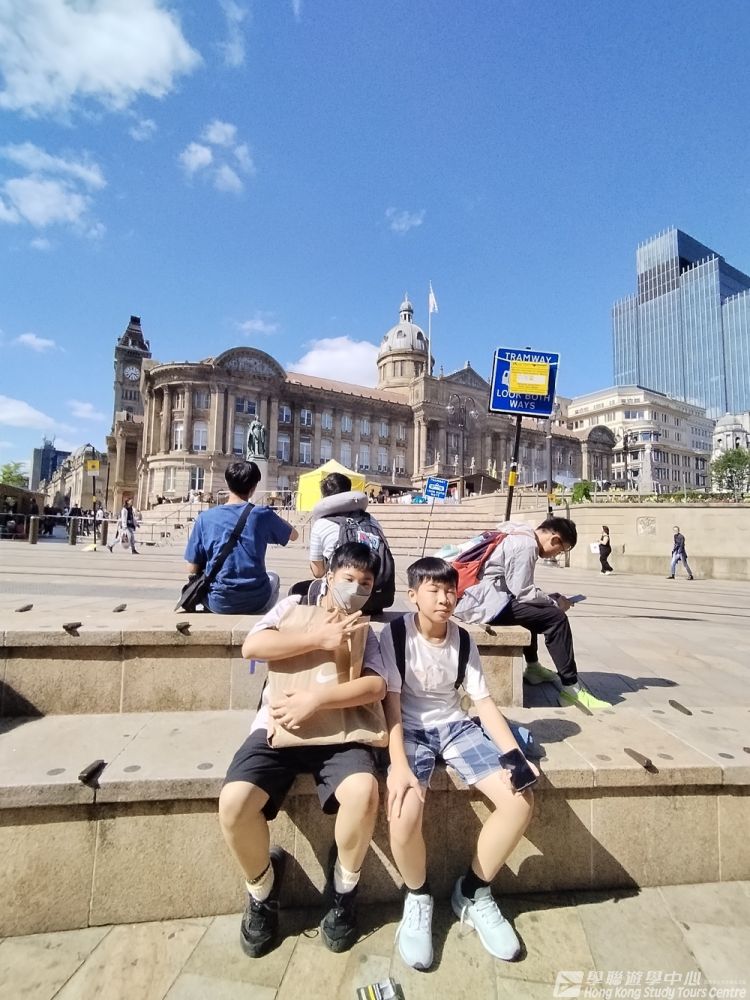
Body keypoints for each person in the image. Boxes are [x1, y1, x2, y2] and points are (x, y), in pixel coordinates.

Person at [218, 542, 391, 957]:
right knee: (234, 801)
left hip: (341, 732)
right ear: (329, 576)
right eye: (348, 579)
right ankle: (262, 890)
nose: (356, 589)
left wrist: (317, 700)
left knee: (364, 792)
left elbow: (377, 686)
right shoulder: (293, 606)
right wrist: (317, 637)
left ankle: (344, 889)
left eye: (365, 584)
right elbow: (252, 647)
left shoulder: (368, 629)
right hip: (278, 726)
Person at [380, 557, 537, 969]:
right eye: (433, 590)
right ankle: (418, 895)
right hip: (409, 730)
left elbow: (483, 703)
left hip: (456, 727)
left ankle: (473, 890)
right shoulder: (394, 635)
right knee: (402, 814)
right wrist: (398, 765)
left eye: (450, 591)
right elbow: (390, 705)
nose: (444, 599)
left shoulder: (463, 640)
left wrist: (514, 758)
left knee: (520, 801)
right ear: (412, 596)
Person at [454, 517, 610, 710]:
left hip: (475, 598)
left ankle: (534, 668)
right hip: (481, 604)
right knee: (556, 618)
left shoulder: (517, 534)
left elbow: (518, 589)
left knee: (536, 610)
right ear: (554, 539)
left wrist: (547, 599)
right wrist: (556, 603)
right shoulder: (526, 545)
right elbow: (524, 593)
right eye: (560, 550)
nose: (556, 555)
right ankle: (571, 689)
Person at [184, 461, 297, 614]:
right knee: (273, 577)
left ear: (227, 483)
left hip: (218, 602)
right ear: (253, 488)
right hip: (257, 600)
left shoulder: (205, 518)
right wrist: (270, 515)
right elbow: (294, 535)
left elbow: (192, 568)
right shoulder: (262, 515)